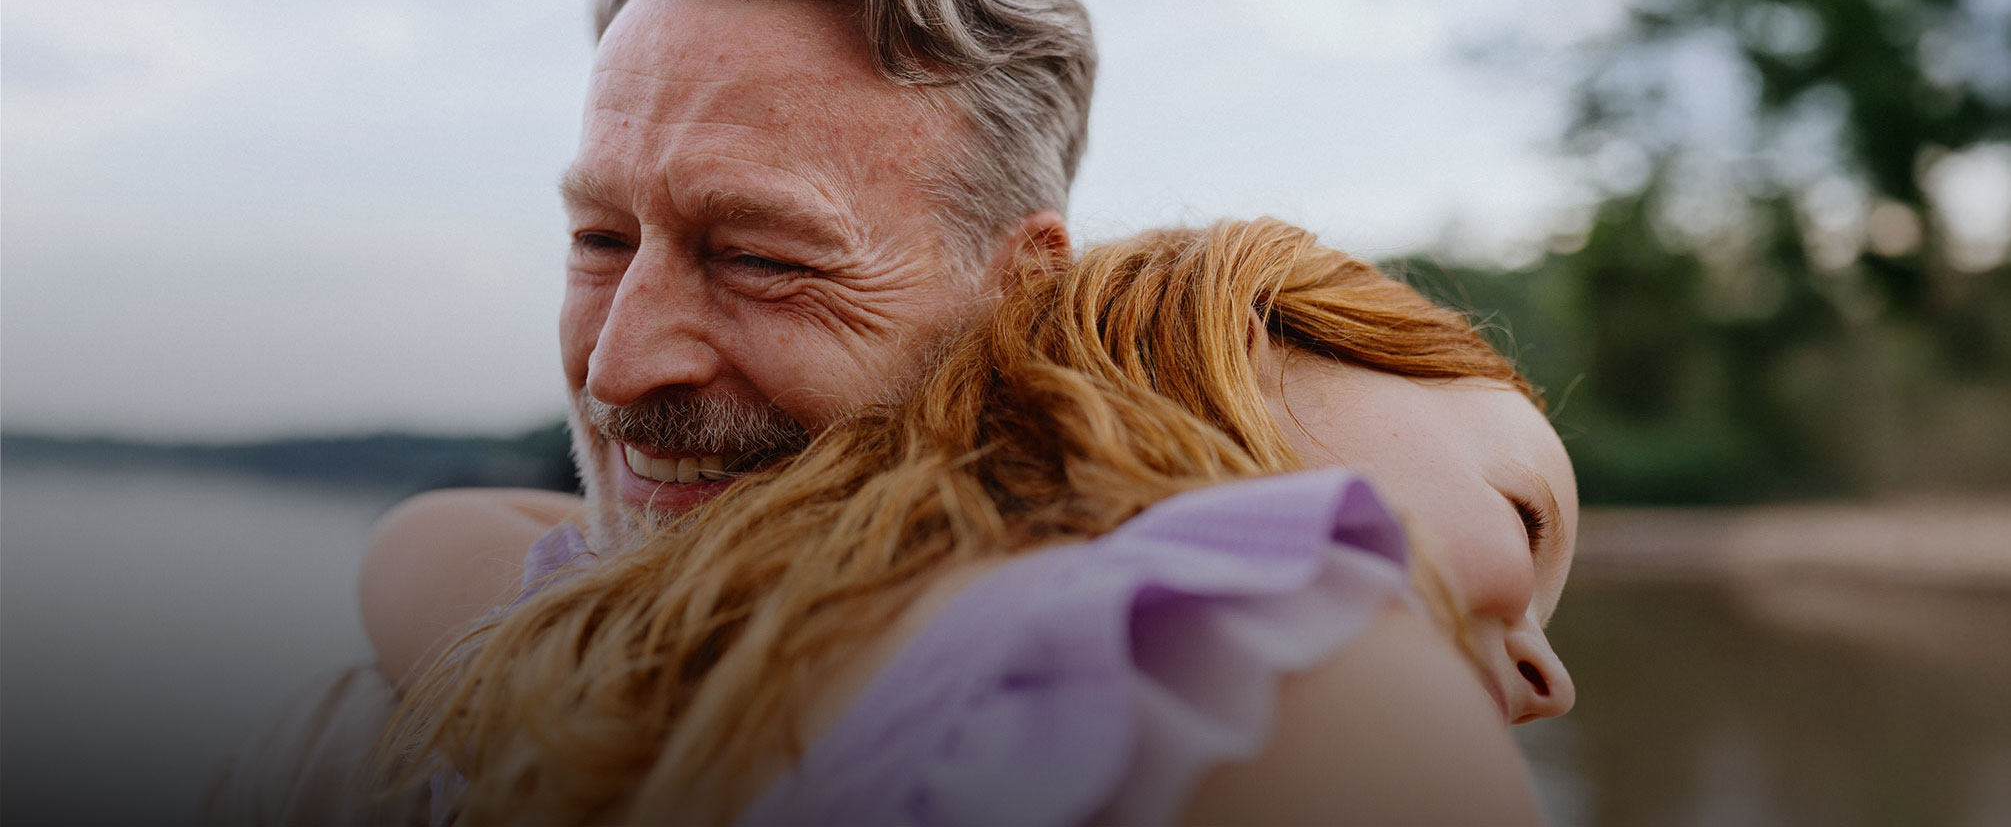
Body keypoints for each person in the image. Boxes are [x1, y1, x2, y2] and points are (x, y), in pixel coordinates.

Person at [202, 0, 1097, 826]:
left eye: (758, 257)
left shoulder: (1162, 716)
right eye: (598, 239)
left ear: (1020, 293)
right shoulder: (363, 754)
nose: (618, 370)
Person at [381, 219, 1577, 825]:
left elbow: (427, 538)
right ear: (1263, 340)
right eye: (1525, 523)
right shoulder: (1300, 668)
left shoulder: (637, 643)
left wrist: (832, 507)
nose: (1550, 683)